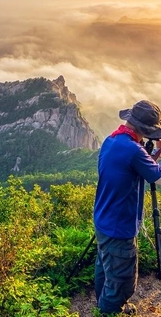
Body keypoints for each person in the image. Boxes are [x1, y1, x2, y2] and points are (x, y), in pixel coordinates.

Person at [93, 100, 161, 316]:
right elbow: (155, 174)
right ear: (146, 130)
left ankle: (105, 304)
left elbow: (139, 165)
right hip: (119, 226)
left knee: (105, 269)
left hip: (104, 220)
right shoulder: (134, 150)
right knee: (122, 280)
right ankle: (109, 310)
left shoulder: (112, 140)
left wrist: (154, 155)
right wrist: (160, 149)